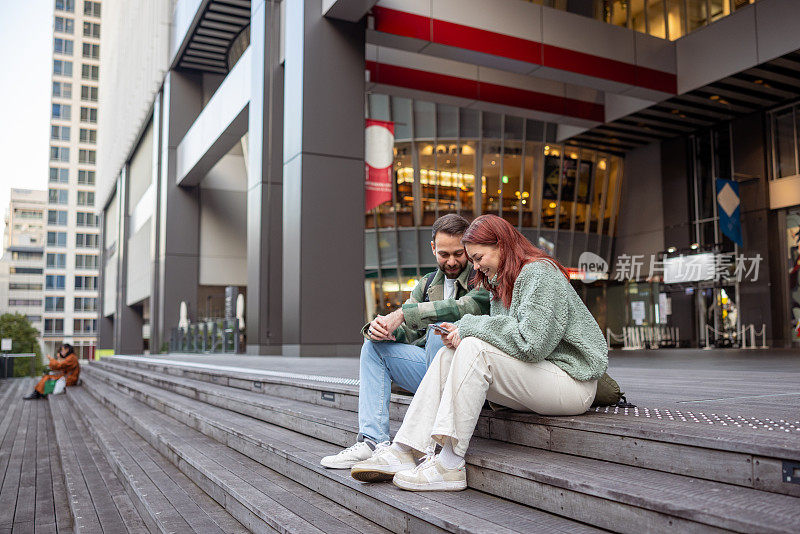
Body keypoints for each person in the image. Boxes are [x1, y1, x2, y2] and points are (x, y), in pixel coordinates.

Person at [350, 214, 608, 490]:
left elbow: (532, 343)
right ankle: (405, 449)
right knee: (451, 352)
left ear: (501, 245)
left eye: (477, 257)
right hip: (540, 377)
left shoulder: (540, 272)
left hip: (572, 383)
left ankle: (449, 464)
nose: (475, 267)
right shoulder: (500, 282)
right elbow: (508, 338)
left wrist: (470, 328)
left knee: (472, 345)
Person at [320, 214, 490, 469]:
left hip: (468, 378)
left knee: (437, 335)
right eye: (444, 254)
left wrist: (402, 314)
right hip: (431, 373)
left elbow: (467, 308)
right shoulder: (427, 284)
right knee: (373, 348)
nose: (452, 261)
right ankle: (372, 442)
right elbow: (407, 331)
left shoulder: (482, 275)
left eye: (459, 253)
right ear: (433, 248)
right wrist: (382, 329)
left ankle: (429, 444)